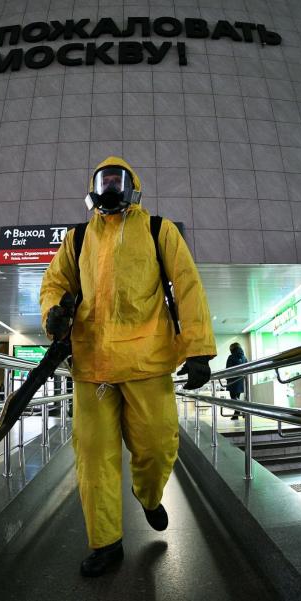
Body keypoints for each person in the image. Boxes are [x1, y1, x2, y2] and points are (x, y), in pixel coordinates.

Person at [40, 156, 216, 577]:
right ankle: (107, 543)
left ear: (132, 185)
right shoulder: (78, 238)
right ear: (94, 187)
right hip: (91, 367)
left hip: (148, 362)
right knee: (94, 459)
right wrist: (53, 314)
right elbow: (54, 284)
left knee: (157, 447)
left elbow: (187, 284)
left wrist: (197, 350)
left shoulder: (158, 230)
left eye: (118, 179)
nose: (111, 186)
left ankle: (149, 495)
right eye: (105, 180)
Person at [225, 342, 248, 420]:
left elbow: (228, 370)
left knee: (233, 398)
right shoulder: (244, 357)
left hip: (232, 381)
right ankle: (237, 414)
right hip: (241, 380)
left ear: (232, 349)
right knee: (236, 397)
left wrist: (227, 379)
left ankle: (240, 411)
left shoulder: (231, 357)